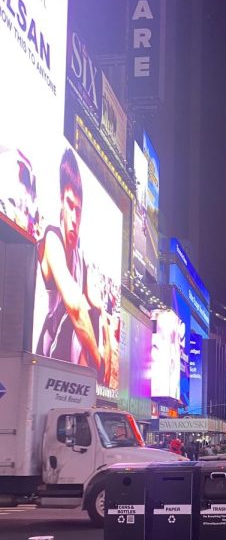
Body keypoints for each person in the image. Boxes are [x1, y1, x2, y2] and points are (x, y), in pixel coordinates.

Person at [34, 148, 113, 384]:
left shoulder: (81, 259)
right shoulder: (52, 239)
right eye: (70, 205)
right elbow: (76, 307)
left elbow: (97, 309)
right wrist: (99, 365)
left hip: (57, 375)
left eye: (79, 210)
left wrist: (106, 325)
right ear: (61, 200)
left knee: (95, 318)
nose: (74, 218)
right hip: (33, 361)